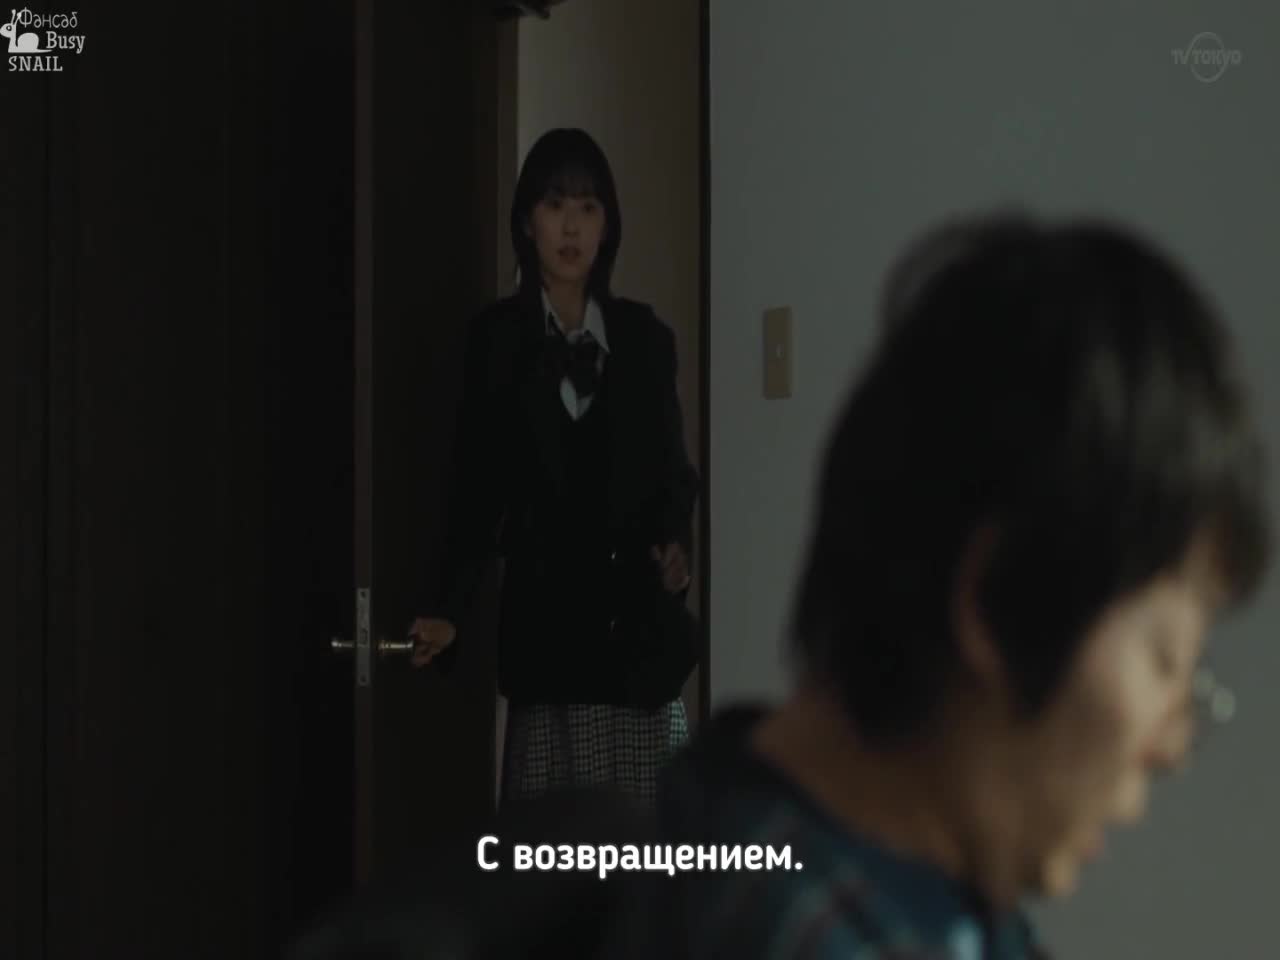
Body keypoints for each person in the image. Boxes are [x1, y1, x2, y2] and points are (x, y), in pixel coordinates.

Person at [607, 211, 1272, 958]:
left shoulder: (780, 822)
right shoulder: (790, 930)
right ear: (1001, 601)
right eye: (1167, 658)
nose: (1173, 745)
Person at [408, 127, 699, 810]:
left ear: (608, 226)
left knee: (646, 861)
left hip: (638, 658)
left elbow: (672, 475)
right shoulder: (497, 341)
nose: (571, 226)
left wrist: (674, 549)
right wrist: (449, 608)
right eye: (555, 204)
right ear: (527, 223)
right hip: (549, 651)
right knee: (548, 861)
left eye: (589, 207)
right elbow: (474, 488)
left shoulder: (645, 340)